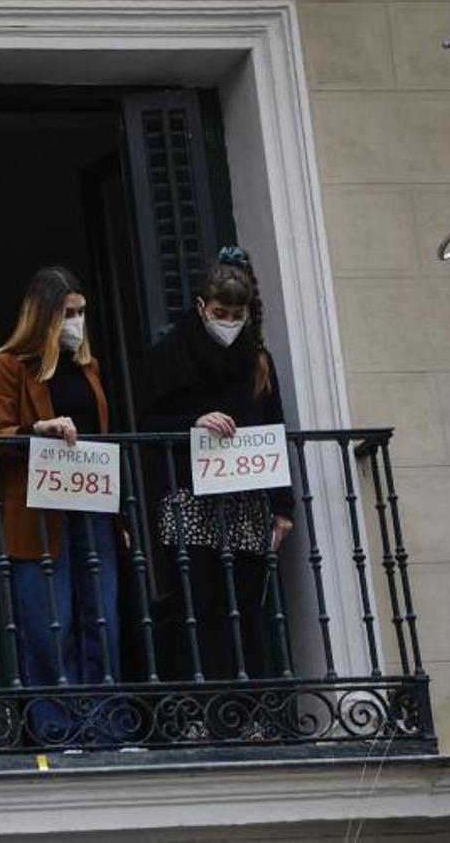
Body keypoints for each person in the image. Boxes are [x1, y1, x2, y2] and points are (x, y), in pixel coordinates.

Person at [142, 246, 294, 688]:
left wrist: (284, 508)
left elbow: (274, 426)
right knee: (199, 605)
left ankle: (254, 710)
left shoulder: (257, 361)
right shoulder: (169, 355)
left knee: (249, 604)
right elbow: (148, 424)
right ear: (201, 307)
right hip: (190, 497)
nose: (229, 320)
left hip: (247, 499)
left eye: (237, 313)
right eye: (220, 311)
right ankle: (203, 709)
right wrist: (195, 423)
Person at [0, 266, 121, 742]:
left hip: (90, 505)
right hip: (38, 515)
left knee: (101, 617)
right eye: (68, 314)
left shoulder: (89, 367)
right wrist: (36, 431)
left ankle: (103, 728)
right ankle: (57, 732)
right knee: (49, 622)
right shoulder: (9, 365)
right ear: (44, 316)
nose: (77, 323)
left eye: (82, 313)